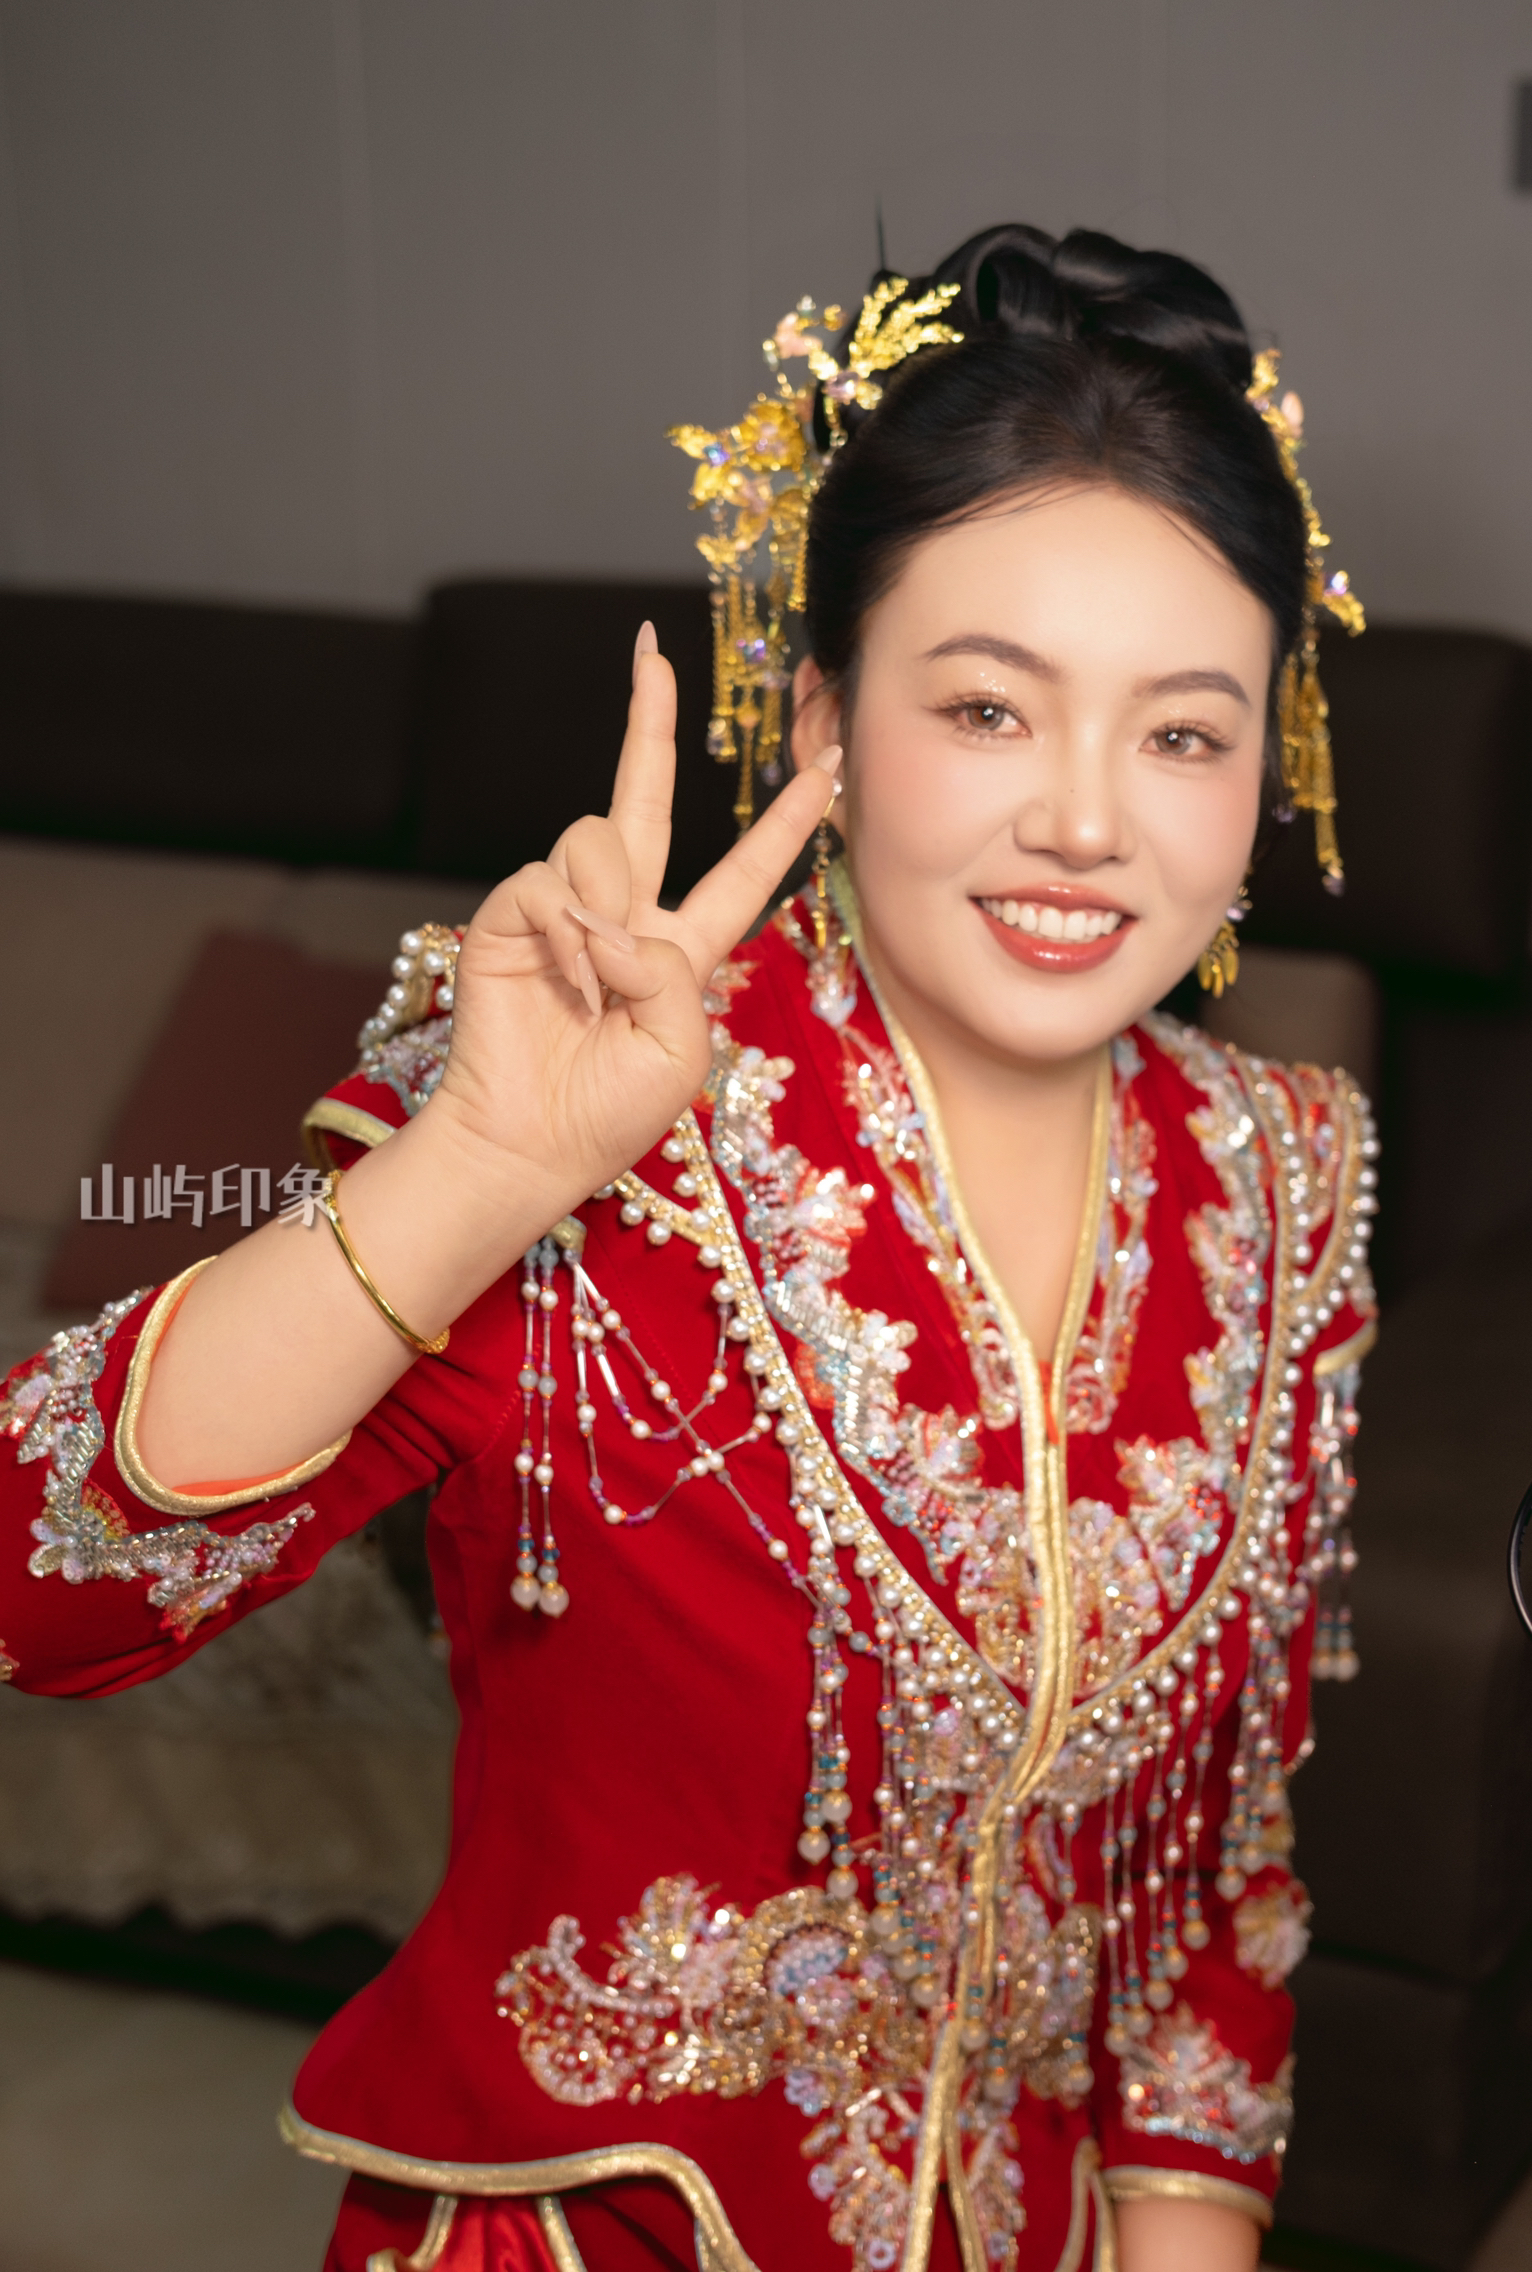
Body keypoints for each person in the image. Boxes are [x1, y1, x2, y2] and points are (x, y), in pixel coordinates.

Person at [0, 224, 1376, 2272]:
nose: (1092, 823)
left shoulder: (1284, 1176)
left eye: (1184, 732)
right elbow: (42, 1583)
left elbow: (1211, 1886)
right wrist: (482, 1162)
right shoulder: (600, 1107)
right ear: (824, 717)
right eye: (989, 708)